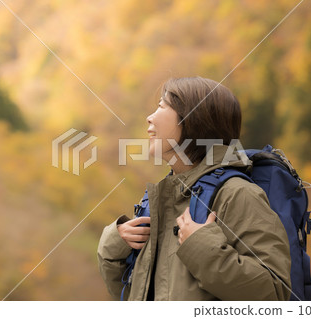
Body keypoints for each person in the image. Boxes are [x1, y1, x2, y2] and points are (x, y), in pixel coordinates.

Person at [97, 76, 291, 301]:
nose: (149, 118)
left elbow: (274, 295)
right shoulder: (158, 201)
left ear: (192, 119)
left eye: (161, 106)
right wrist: (114, 246)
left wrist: (201, 247)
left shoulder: (237, 194)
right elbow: (130, 297)